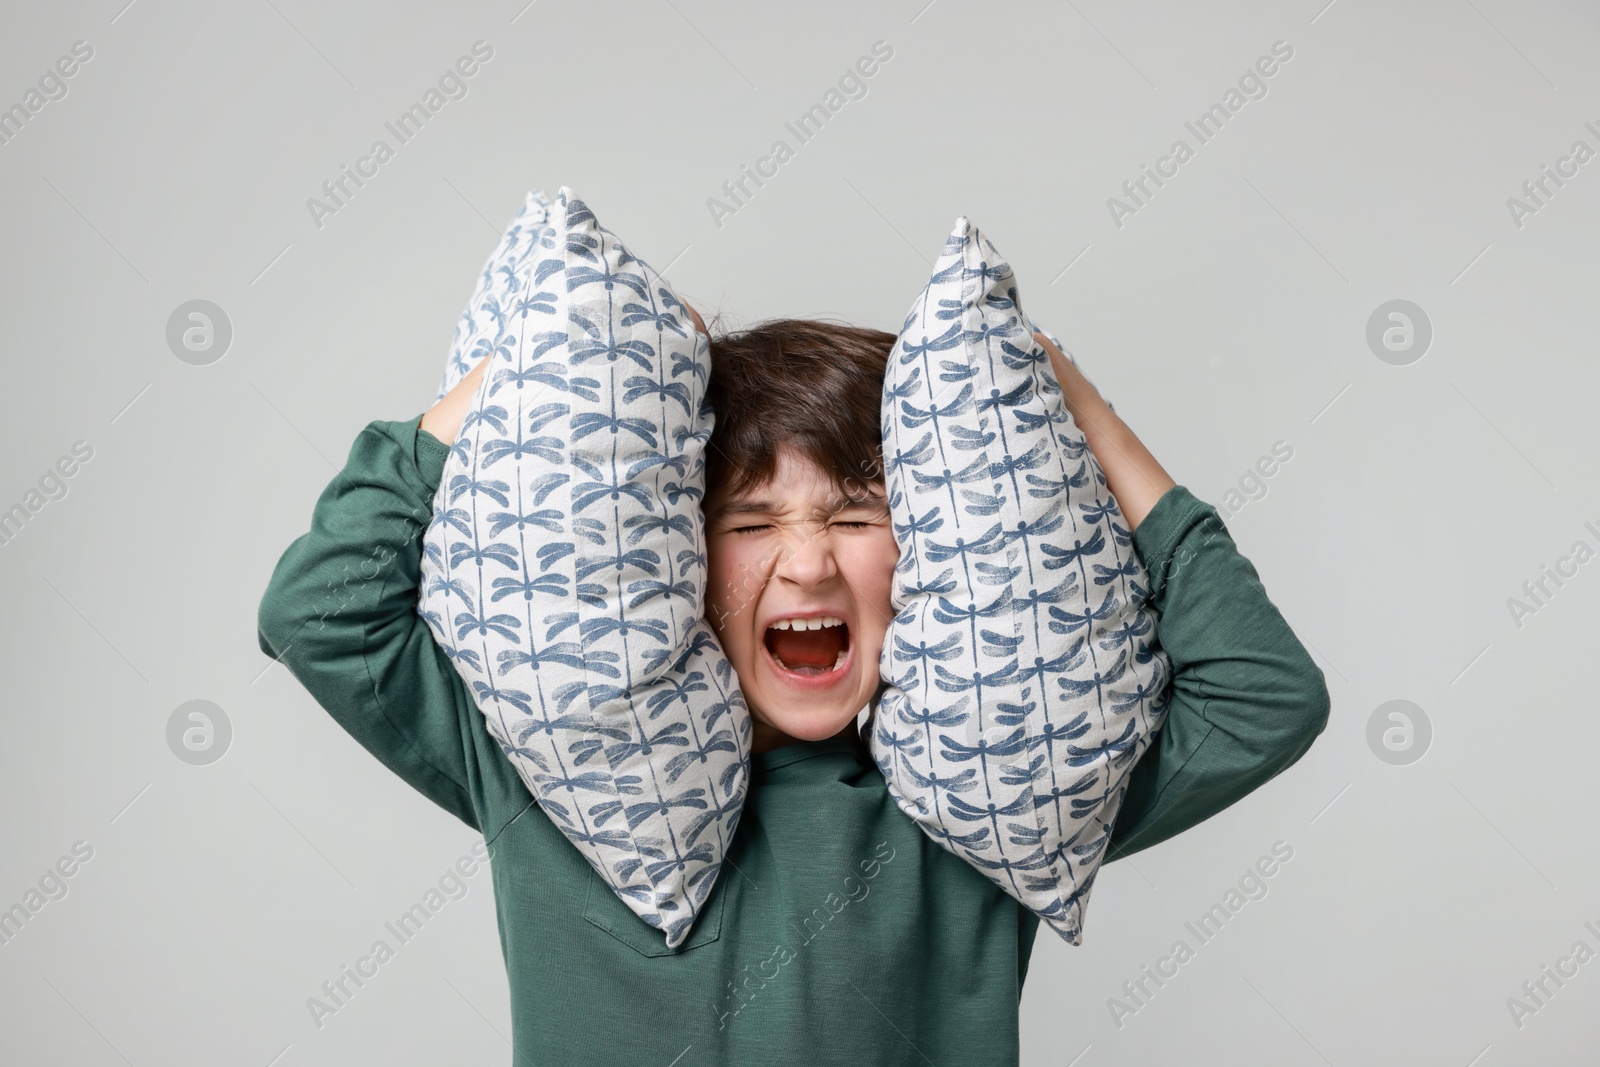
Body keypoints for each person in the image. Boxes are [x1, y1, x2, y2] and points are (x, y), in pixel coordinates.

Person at [256, 310, 1329, 1065]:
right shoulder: (551, 773)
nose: (809, 562)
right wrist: (520, 368)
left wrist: (1091, 424)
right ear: (673, 555)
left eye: (858, 517)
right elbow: (319, 611)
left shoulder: (978, 806)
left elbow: (1262, 695)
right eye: (751, 525)